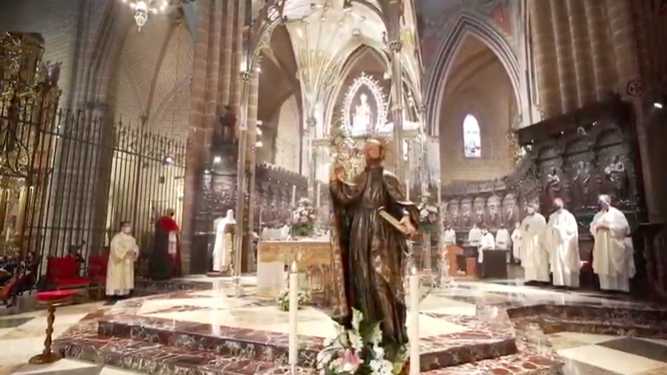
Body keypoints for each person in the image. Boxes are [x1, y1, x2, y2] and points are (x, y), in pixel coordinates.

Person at [330, 138, 418, 356]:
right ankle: (366, 331)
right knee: (362, 280)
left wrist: (406, 219)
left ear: (381, 151)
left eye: (373, 147)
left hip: (380, 234)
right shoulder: (359, 178)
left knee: (381, 282)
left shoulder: (388, 178)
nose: (368, 150)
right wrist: (334, 179)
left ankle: (390, 332)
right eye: (366, 147)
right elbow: (345, 197)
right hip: (360, 234)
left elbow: (401, 206)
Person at [590, 194, 635, 292]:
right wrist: (596, 227)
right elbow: (592, 227)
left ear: (608, 201)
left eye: (603, 201)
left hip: (613, 243)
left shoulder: (617, 214)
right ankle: (606, 287)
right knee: (604, 263)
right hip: (602, 244)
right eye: (600, 202)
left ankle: (620, 288)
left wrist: (608, 227)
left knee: (614, 264)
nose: (601, 204)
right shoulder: (598, 215)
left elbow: (624, 228)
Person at [545, 198, 580, 288]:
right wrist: (552, 229)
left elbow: (572, 230)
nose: (557, 209)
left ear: (562, 205)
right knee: (557, 262)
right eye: (555, 207)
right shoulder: (552, 217)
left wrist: (560, 229)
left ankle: (568, 283)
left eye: (558, 207)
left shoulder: (568, 216)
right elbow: (548, 229)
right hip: (555, 244)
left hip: (565, 244)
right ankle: (559, 283)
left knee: (566, 262)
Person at [106, 221, 138, 297]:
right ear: (122, 228)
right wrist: (125, 252)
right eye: (126, 226)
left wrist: (134, 252)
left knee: (126, 279)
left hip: (128, 261)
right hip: (118, 262)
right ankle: (115, 294)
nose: (128, 228)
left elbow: (135, 248)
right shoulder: (117, 238)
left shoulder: (132, 239)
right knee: (117, 278)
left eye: (129, 226)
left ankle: (125, 293)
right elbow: (115, 249)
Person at [520, 203, 549, 283]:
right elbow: (522, 230)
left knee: (538, 260)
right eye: (528, 208)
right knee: (529, 260)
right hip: (528, 242)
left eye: (530, 208)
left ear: (535, 208)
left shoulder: (540, 218)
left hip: (537, 242)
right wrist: (524, 230)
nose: (529, 209)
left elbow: (542, 230)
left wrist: (531, 230)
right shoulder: (525, 219)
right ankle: (531, 278)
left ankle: (542, 279)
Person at [150, 209, 181, 280]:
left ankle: (156, 273)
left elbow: (157, 232)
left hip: (159, 244)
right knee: (168, 259)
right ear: (172, 214)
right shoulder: (171, 221)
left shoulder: (159, 221)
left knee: (158, 258)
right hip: (168, 244)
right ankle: (166, 274)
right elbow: (176, 231)